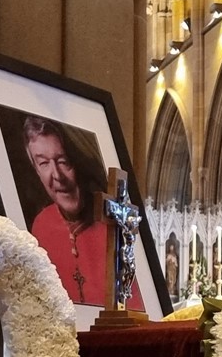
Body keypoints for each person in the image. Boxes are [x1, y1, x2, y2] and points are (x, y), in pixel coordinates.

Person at [22, 115, 143, 310]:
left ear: (78, 162)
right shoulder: (41, 225)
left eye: (63, 161)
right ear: (36, 169)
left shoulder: (114, 224)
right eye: (44, 163)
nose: (57, 175)